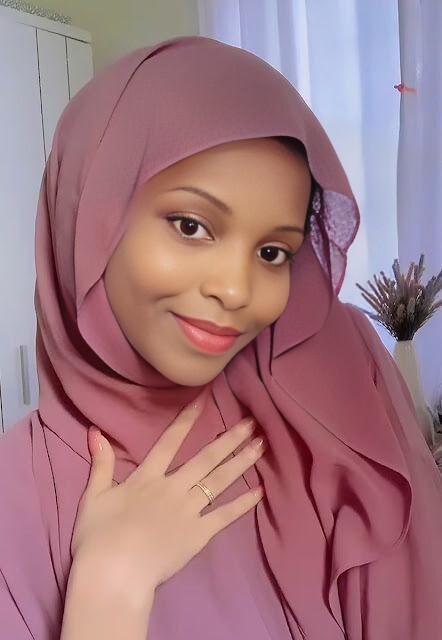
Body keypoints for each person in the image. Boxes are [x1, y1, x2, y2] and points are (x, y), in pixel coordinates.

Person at [0, 34, 441, 640]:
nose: (236, 290)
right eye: (191, 226)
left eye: (272, 252)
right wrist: (108, 593)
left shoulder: (326, 385)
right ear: (90, 215)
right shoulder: (18, 493)